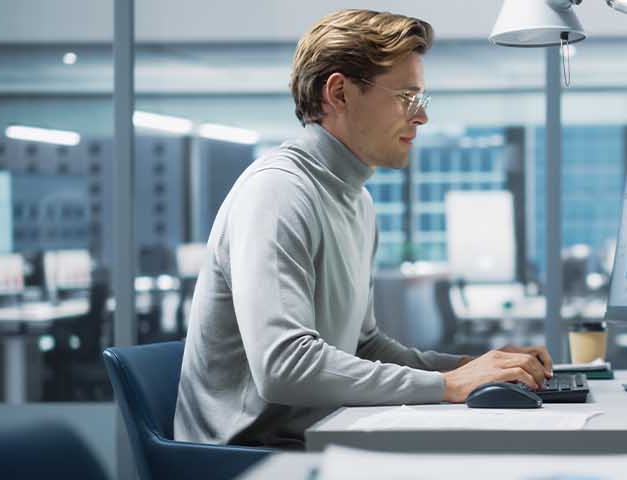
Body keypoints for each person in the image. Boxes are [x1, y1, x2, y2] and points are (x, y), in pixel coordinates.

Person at [174, 9, 552, 448]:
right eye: (407, 97)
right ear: (340, 93)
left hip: (311, 439)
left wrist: (474, 367)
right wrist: (448, 386)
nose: (421, 117)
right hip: (245, 460)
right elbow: (284, 368)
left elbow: (364, 345)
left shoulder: (355, 200)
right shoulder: (278, 193)